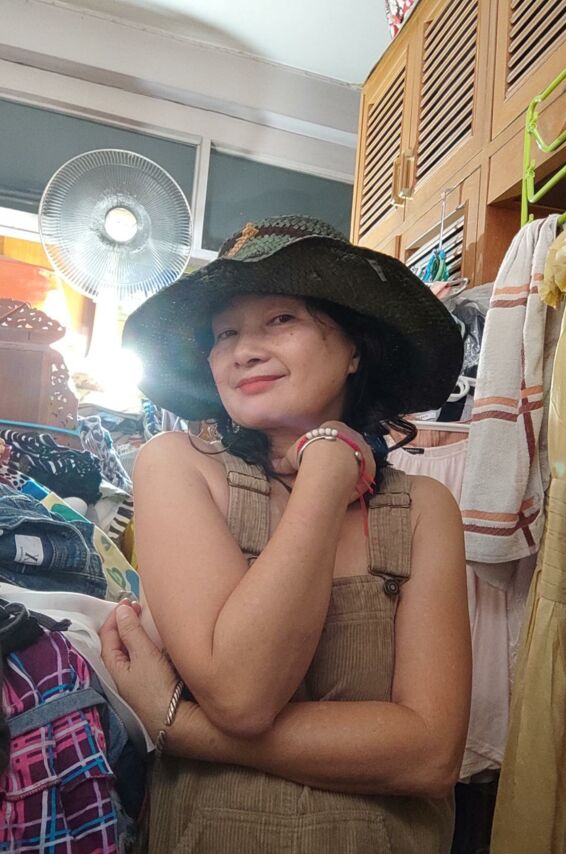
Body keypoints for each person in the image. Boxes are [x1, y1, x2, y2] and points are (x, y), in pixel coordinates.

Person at [99, 215, 472, 853]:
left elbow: (430, 755)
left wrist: (183, 728)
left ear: (355, 348)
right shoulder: (179, 467)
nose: (243, 350)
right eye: (225, 332)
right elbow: (242, 693)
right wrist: (327, 474)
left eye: (280, 319)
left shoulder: (423, 509)